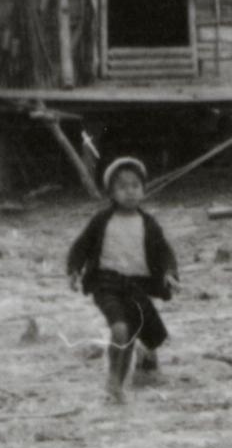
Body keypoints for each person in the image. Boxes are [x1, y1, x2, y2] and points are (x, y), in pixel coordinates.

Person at [64, 157, 179, 405]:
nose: (130, 192)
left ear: (143, 189)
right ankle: (113, 379)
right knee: (120, 330)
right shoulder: (102, 220)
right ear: (111, 193)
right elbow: (81, 246)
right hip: (106, 284)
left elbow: (164, 251)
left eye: (135, 185)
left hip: (137, 287)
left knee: (130, 335)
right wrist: (73, 269)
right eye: (123, 187)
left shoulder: (148, 224)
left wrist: (170, 273)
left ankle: (119, 382)